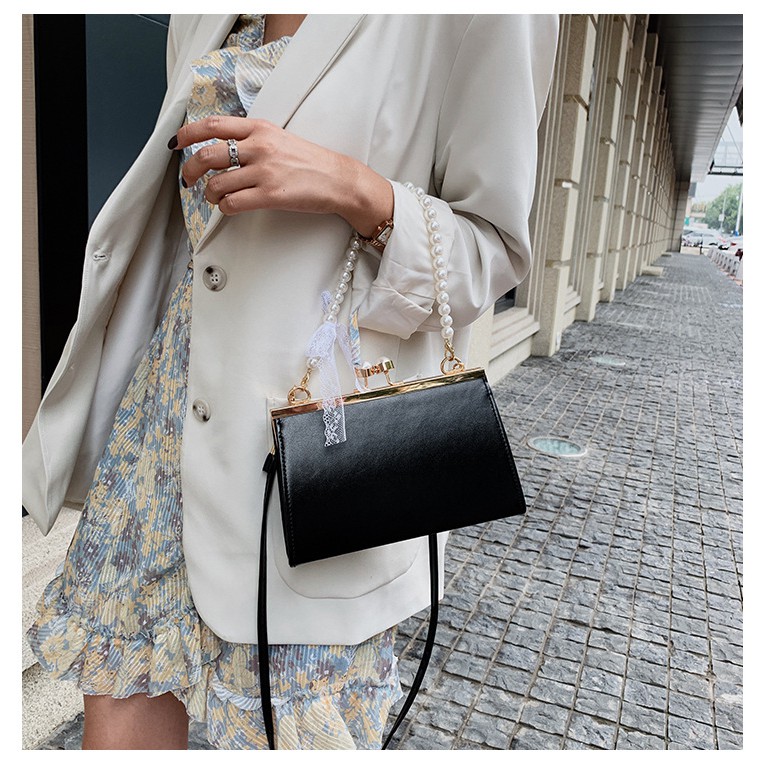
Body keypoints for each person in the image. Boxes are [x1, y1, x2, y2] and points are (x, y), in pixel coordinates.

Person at [24, 14, 558, 750]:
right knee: (119, 689)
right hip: (163, 418)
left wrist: (354, 187)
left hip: (314, 445)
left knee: (291, 727)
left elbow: (492, 252)